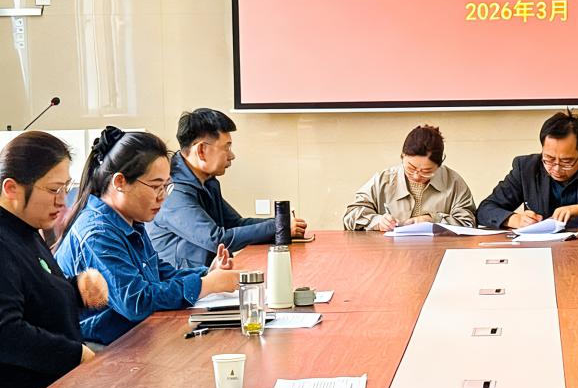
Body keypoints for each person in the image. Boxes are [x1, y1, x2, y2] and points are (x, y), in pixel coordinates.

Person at [56, 127, 240, 346]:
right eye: (155, 187)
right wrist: (205, 285)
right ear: (120, 182)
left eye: (166, 187)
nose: (162, 197)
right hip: (100, 349)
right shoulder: (97, 233)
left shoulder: (129, 220)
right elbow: (136, 302)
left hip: (133, 338)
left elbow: (159, 273)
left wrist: (208, 273)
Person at [0, 132, 108, 388]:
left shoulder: (27, 229)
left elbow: (34, 296)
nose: (62, 202)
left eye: (65, 188)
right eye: (53, 190)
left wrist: (77, 288)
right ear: (11, 188)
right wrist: (74, 354)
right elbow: (7, 334)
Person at [149, 109, 307, 268]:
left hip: (212, 275)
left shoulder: (207, 181)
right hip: (186, 281)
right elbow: (217, 239)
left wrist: (281, 223)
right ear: (201, 150)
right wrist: (279, 227)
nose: (232, 156)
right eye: (226, 148)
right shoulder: (173, 191)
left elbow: (234, 224)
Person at [477, 110, 578, 229]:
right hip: (541, 251)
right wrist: (515, 219)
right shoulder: (525, 168)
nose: (556, 168)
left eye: (566, 161)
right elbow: (485, 209)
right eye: (548, 159)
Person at [343, 125, 476, 231]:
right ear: (402, 156)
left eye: (426, 171)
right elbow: (351, 214)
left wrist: (433, 220)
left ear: (439, 165)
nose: (416, 176)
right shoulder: (383, 180)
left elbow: (469, 222)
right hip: (390, 252)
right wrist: (377, 222)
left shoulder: (453, 182)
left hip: (437, 251)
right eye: (410, 168)